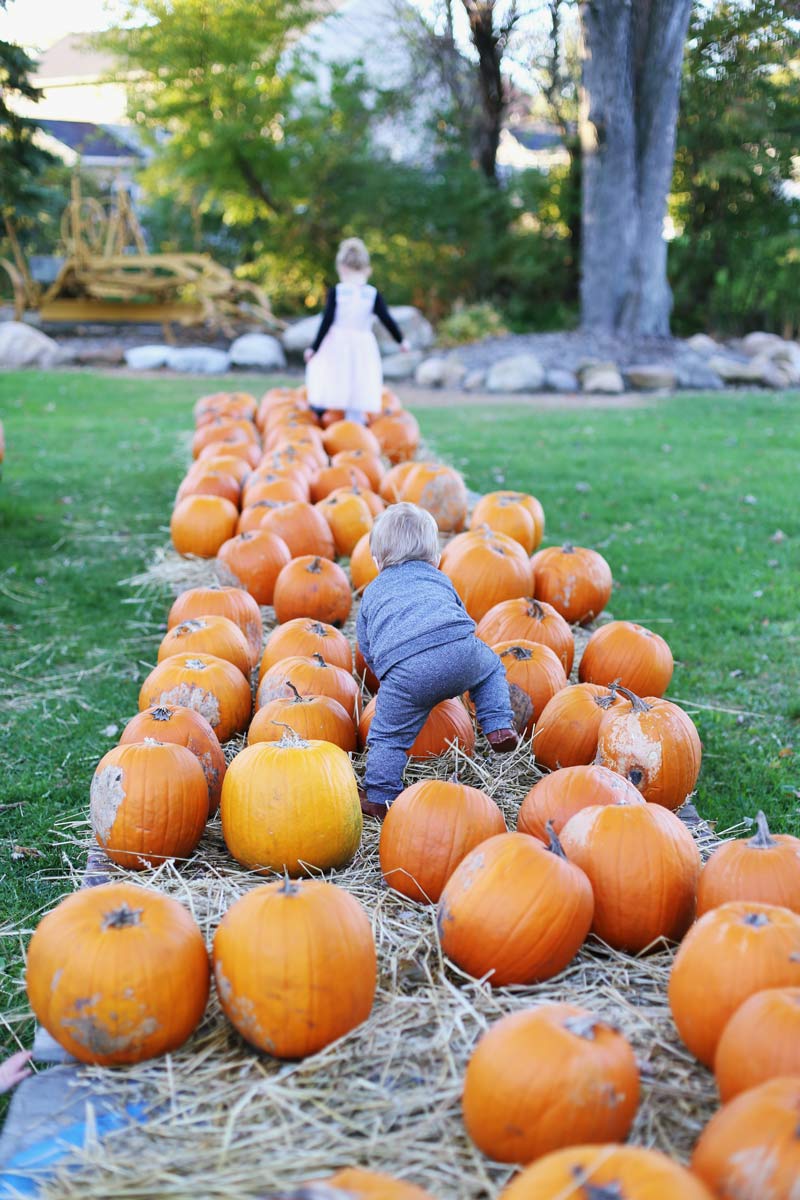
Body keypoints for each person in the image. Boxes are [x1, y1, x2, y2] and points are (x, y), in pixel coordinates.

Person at [356, 503, 519, 819]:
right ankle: (498, 723)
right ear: (435, 558)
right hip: (459, 651)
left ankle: (380, 796)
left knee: (388, 737)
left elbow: (368, 647)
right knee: (490, 668)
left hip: (407, 673)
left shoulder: (372, 592)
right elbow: (459, 614)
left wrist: (389, 682)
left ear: (377, 561)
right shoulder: (439, 578)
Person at [304, 238, 410, 422]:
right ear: (365, 269)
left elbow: (326, 322)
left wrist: (314, 348)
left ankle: (324, 415)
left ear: (342, 268)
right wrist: (401, 341)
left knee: (333, 377)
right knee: (359, 382)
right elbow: (387, 319)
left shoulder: (338, 291)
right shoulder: (371, 294)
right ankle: (354, 420)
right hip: (362, 345)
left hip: (337, 343)